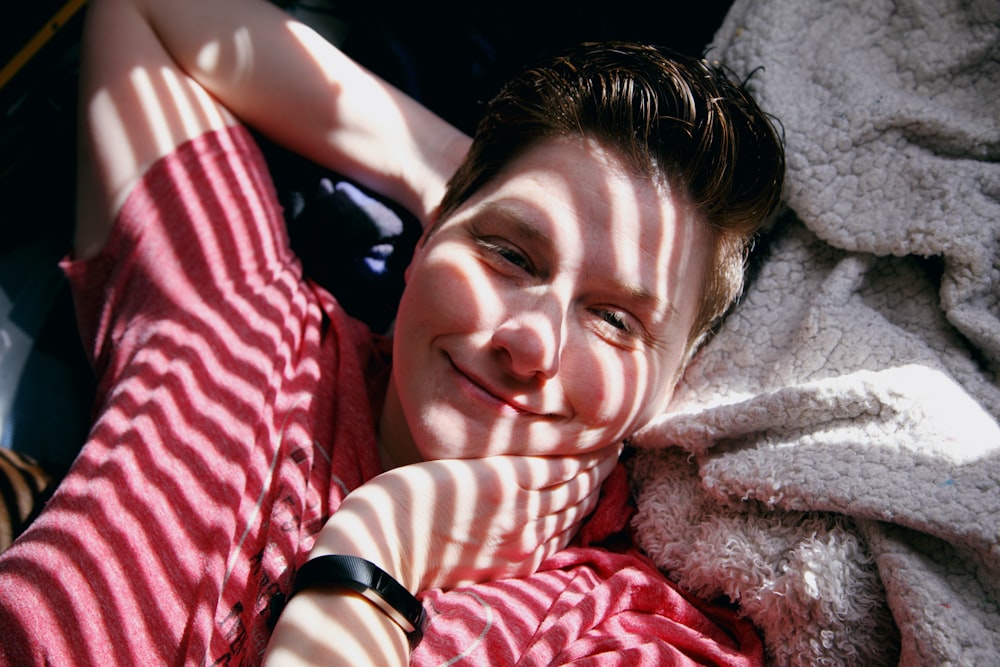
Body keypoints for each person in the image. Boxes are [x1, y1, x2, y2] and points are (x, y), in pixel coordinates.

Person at [0, 0, 784, 664]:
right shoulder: (250, 325)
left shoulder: (628, 633)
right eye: (508, 251)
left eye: (615, 318)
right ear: (430, 236)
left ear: (675, 381)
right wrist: (445, 167)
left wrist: (384, 546)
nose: (531, 340)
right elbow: (144, 12)